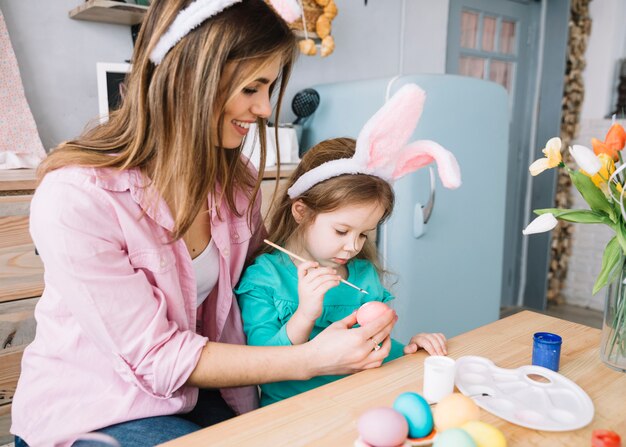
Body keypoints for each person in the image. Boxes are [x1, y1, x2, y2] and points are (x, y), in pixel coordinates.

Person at [10, 1, 397, 446]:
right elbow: (157, 357)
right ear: (193, 76)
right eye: (252, 88)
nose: (265, 108)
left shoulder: (234, 183)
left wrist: (350, 322)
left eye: (268, 88)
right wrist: (311, 359)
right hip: (99, 409)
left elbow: (263, 286)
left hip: (196, 395)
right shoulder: (77, 198)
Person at [236, 84, 463, 406]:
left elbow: (374, 348)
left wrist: (410, 347)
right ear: (301, 211)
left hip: (362, 401)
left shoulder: (362, 274)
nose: (353, 246)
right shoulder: (265, 278)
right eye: (341, 231)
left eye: (364, 233)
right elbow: (262, 363)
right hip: (293, 414)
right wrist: (305, 313)